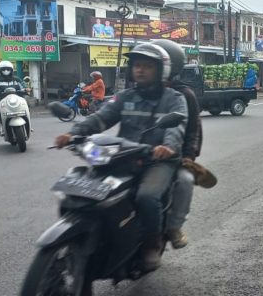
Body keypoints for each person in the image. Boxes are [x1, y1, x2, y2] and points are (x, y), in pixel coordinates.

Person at [54, 43, 188, 272]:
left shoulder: (174, 99)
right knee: (87, 187)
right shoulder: (125, 97)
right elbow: (101, 118)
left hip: (157, 160)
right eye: (137, 65)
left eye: (147, 66)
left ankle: (150, 244)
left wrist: (168, 147)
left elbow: (177, 127)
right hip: (123, 154)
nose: (141, 70)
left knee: (147, 196)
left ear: (161, 70)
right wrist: (72, 134)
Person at [151, 39, 203, 249]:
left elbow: (193, 130)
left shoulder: (183, 95)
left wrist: (187, 156)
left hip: (171, 155)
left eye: (151, 65)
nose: (143, 70)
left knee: (185, 180)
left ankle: (173, 226)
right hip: (135, 152)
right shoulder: (137, 91)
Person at [0, 61, 29, 136]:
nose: (6, 71)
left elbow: (23, 85)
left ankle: (28, 124)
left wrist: (26, 89)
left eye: (8, 69)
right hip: (3, 101)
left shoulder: (16, 79)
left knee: (25, 103)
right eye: (3, 69)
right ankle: (1, 123)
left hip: (17, 99)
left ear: (11, 70)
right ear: (0, 70)